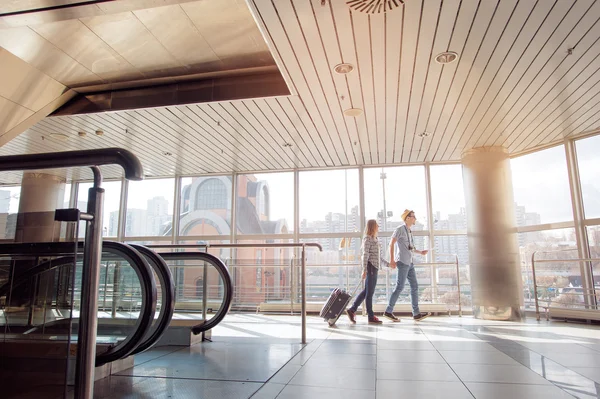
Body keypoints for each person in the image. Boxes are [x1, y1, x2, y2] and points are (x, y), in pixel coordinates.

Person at [383, 209, 431, 322]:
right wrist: (392, 260)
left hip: (410, 263)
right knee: (399, 287)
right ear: (407, 218)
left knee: (415, 286)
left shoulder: (409, 231)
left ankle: (416, 313)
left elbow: (411, 248)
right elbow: (391, 243)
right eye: (413, 216)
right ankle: (388, 311)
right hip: (402, 263)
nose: (415, 219)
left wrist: (420, 252)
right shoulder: (399, 229)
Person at [346, 219, 388, 324]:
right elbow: (365, 255)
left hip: (375, 267)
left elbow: (378, 256)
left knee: (367, 291)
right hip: (371, 267)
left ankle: (352, 310)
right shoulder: (367, 239)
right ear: (373, 226)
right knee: (370, 293)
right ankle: (370, 316)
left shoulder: (375, 239)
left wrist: (388, 264)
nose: (378, 226)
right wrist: (364, 270)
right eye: (377, 225)